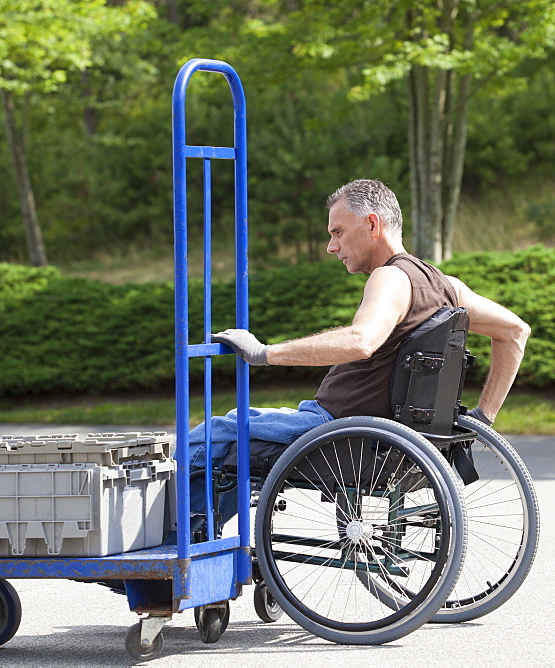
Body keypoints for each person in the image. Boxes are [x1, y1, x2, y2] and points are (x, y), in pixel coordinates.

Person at [189, 179, 530, 532]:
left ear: (372, 224)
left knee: (211, 436)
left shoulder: (390, 278)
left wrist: (263, 353)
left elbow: (361, 340)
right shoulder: (446, 285)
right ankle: (199, 538)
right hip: (389, 439)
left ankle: (171, 549)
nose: (330, 247)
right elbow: (515, 332)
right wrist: (483, 417)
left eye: (338, 232)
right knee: (234, 438)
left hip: (339, 429)